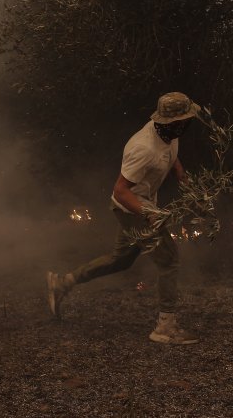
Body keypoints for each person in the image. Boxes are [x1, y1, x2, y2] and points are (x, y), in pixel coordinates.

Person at [46, 92, 200, 345]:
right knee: (169, 260)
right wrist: (150, 214)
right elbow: (120, 190)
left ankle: (62, 283)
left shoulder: (168, 134)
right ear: (172, 122)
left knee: (120, 260)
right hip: (132, 208)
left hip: (142, 206)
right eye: (185, 120)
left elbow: (170, 153)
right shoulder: (143, 148)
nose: (188, 124)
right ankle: (165, 328)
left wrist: (181, 173)